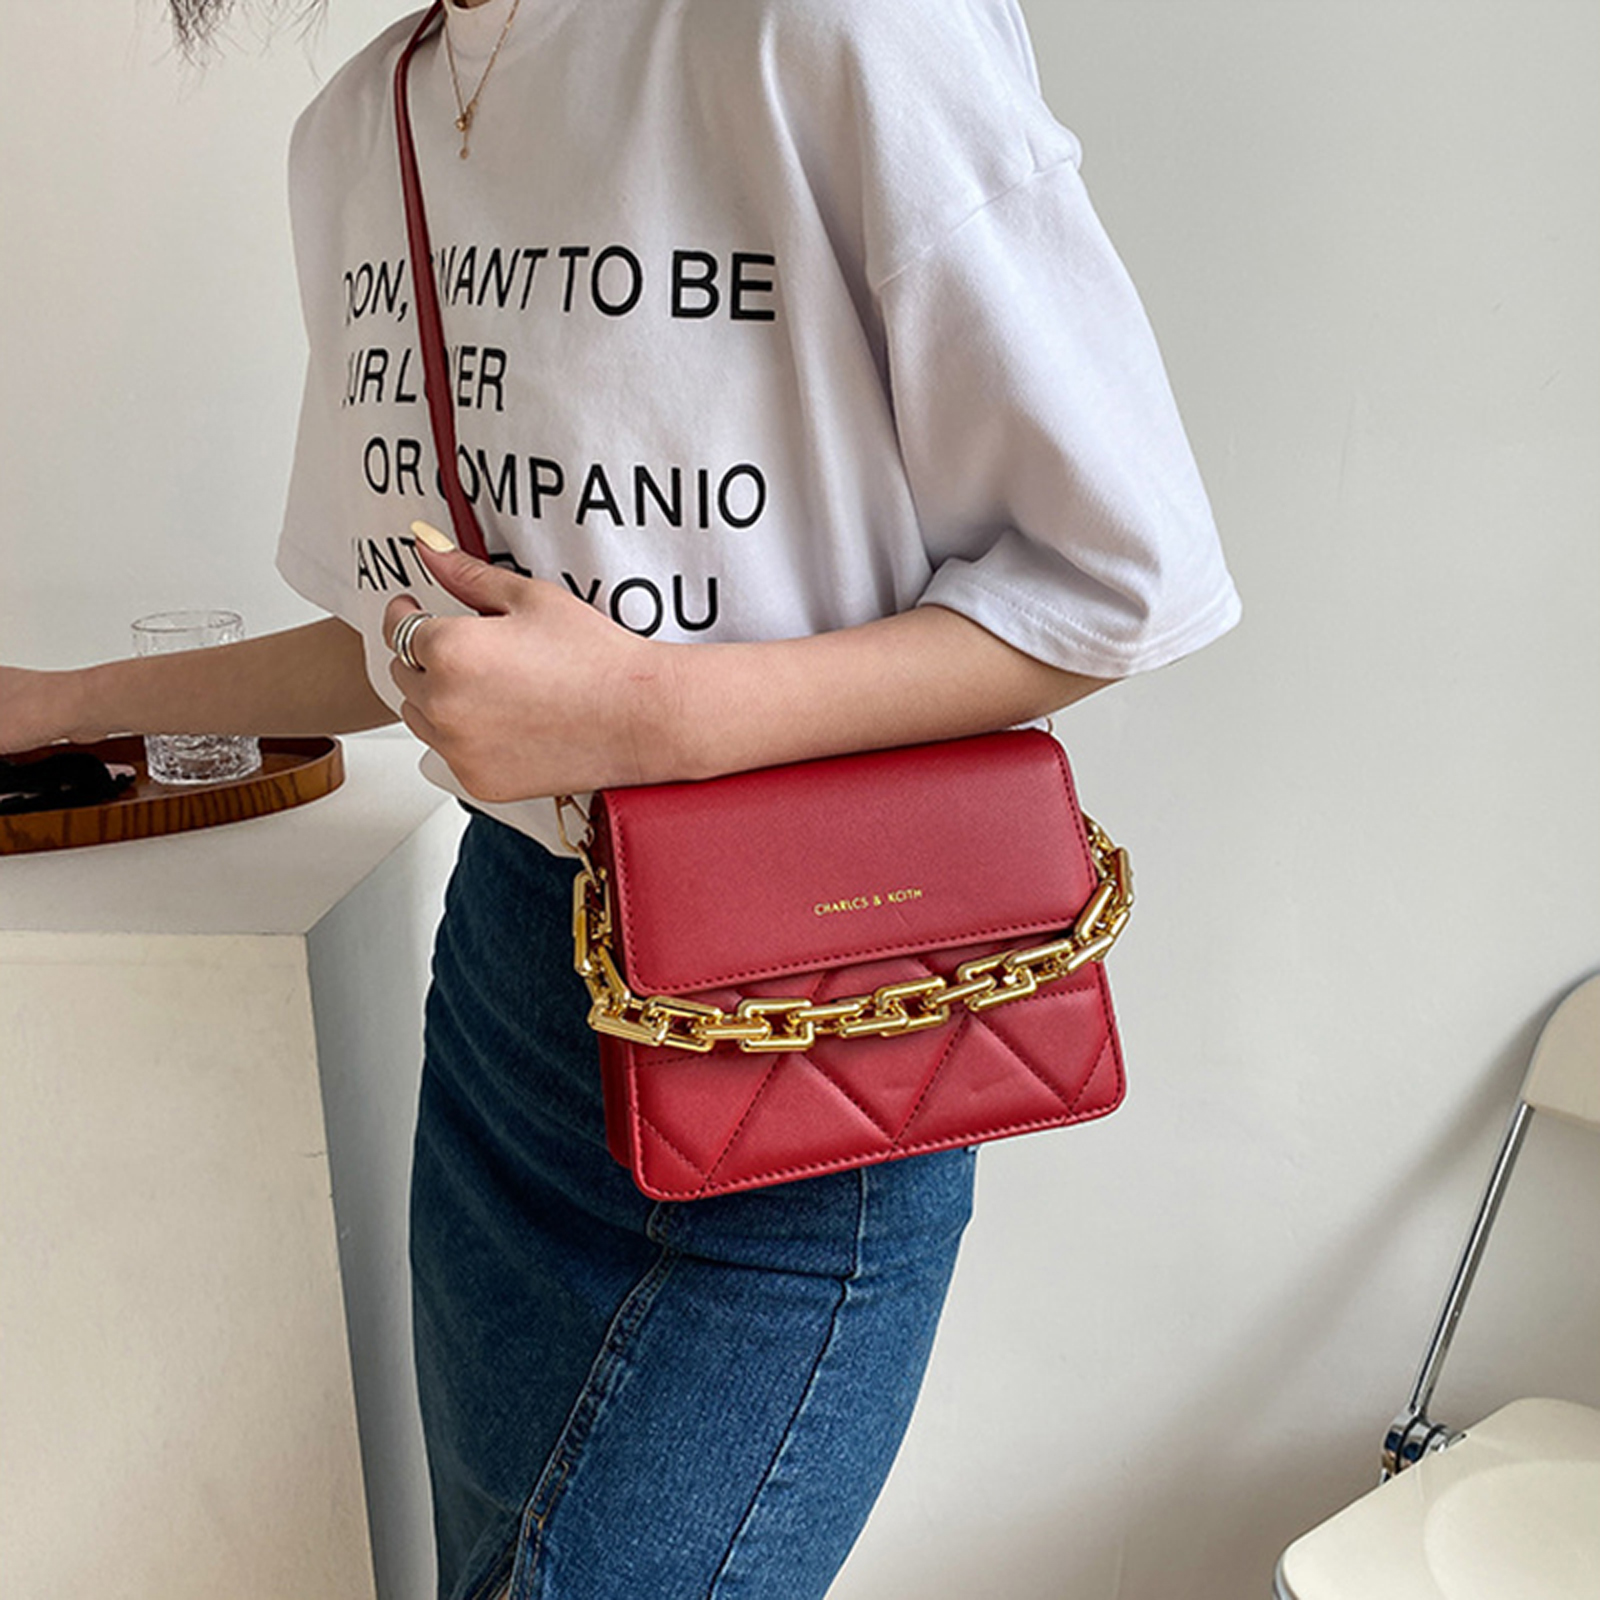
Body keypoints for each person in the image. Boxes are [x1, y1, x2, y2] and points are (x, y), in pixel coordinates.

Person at [1, 0, 1240, 1595]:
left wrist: (650, 714)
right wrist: (56, 706)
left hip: (803, 1020)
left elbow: (1116, 579)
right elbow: (408, 645)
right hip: (509, 1008)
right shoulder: (360, 130)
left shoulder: (823, 31)